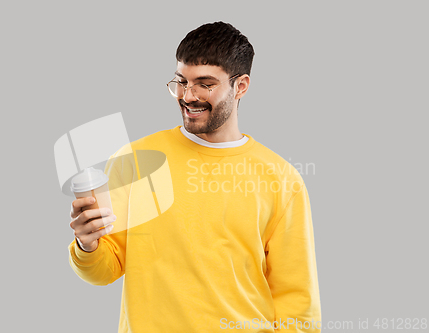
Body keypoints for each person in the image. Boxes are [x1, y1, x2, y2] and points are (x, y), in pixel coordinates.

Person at [68, 21, 321, 332]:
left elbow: (297, 300)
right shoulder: (135, 160)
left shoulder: (281, 179)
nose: (188, 96)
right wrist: (87, 245)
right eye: (181, 82)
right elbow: (105, 269)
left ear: (240, 86)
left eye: (205, 84)